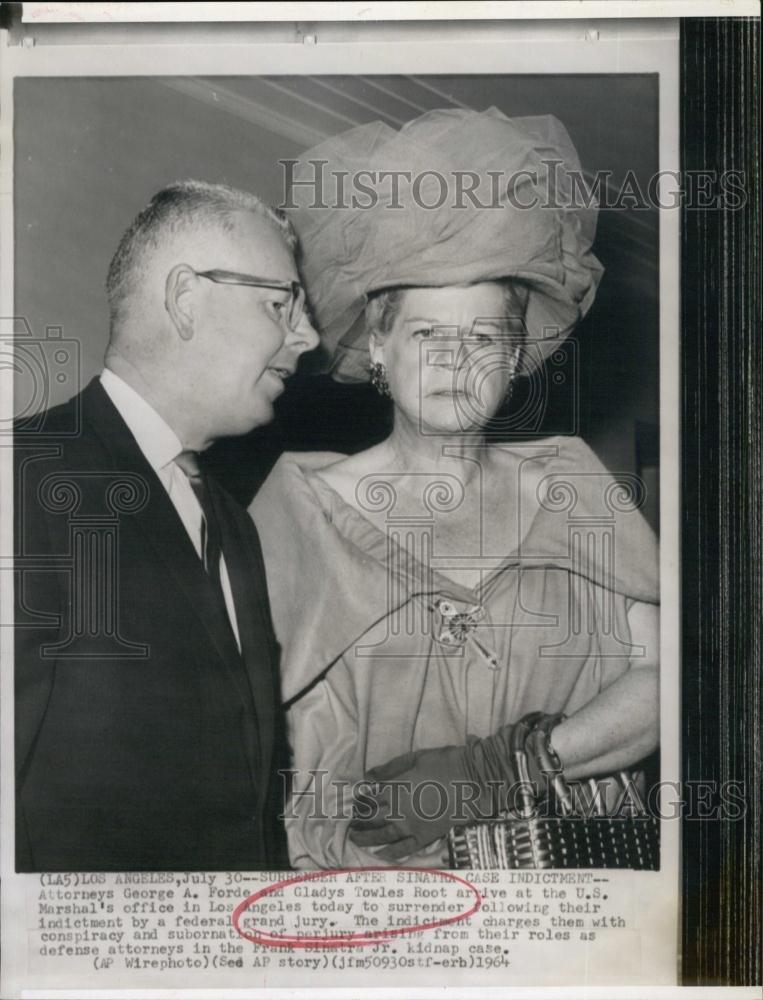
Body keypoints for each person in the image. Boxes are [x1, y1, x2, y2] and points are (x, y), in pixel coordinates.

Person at [251, 109, 660, 870]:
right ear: (377, 346)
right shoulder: (297, 510)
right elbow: (241, 739)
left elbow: (671, 679)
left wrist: (502, 769)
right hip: (368, 899)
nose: (455, 362)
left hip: (573, 881)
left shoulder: (571, 484)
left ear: (518, 358)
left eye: (483, 338)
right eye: (426, 335)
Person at [14, 180, 319, 871]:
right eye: (281, 305)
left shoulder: (234, 527)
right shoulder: (25, 478)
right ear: (186, 300)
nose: (307, 338)